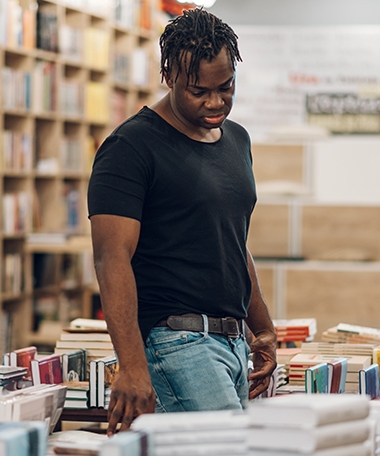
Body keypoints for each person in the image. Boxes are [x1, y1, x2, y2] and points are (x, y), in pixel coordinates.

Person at [87, 7, 277, 436]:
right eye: (198, 91)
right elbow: (110, 258)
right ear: (168, 75)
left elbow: (231, 239)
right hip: (176, 343)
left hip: (231, 342)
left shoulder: (237, 140)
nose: (215, 102)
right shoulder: (130, 147)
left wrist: (261, 326)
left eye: (225, 87)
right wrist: (132, 366)